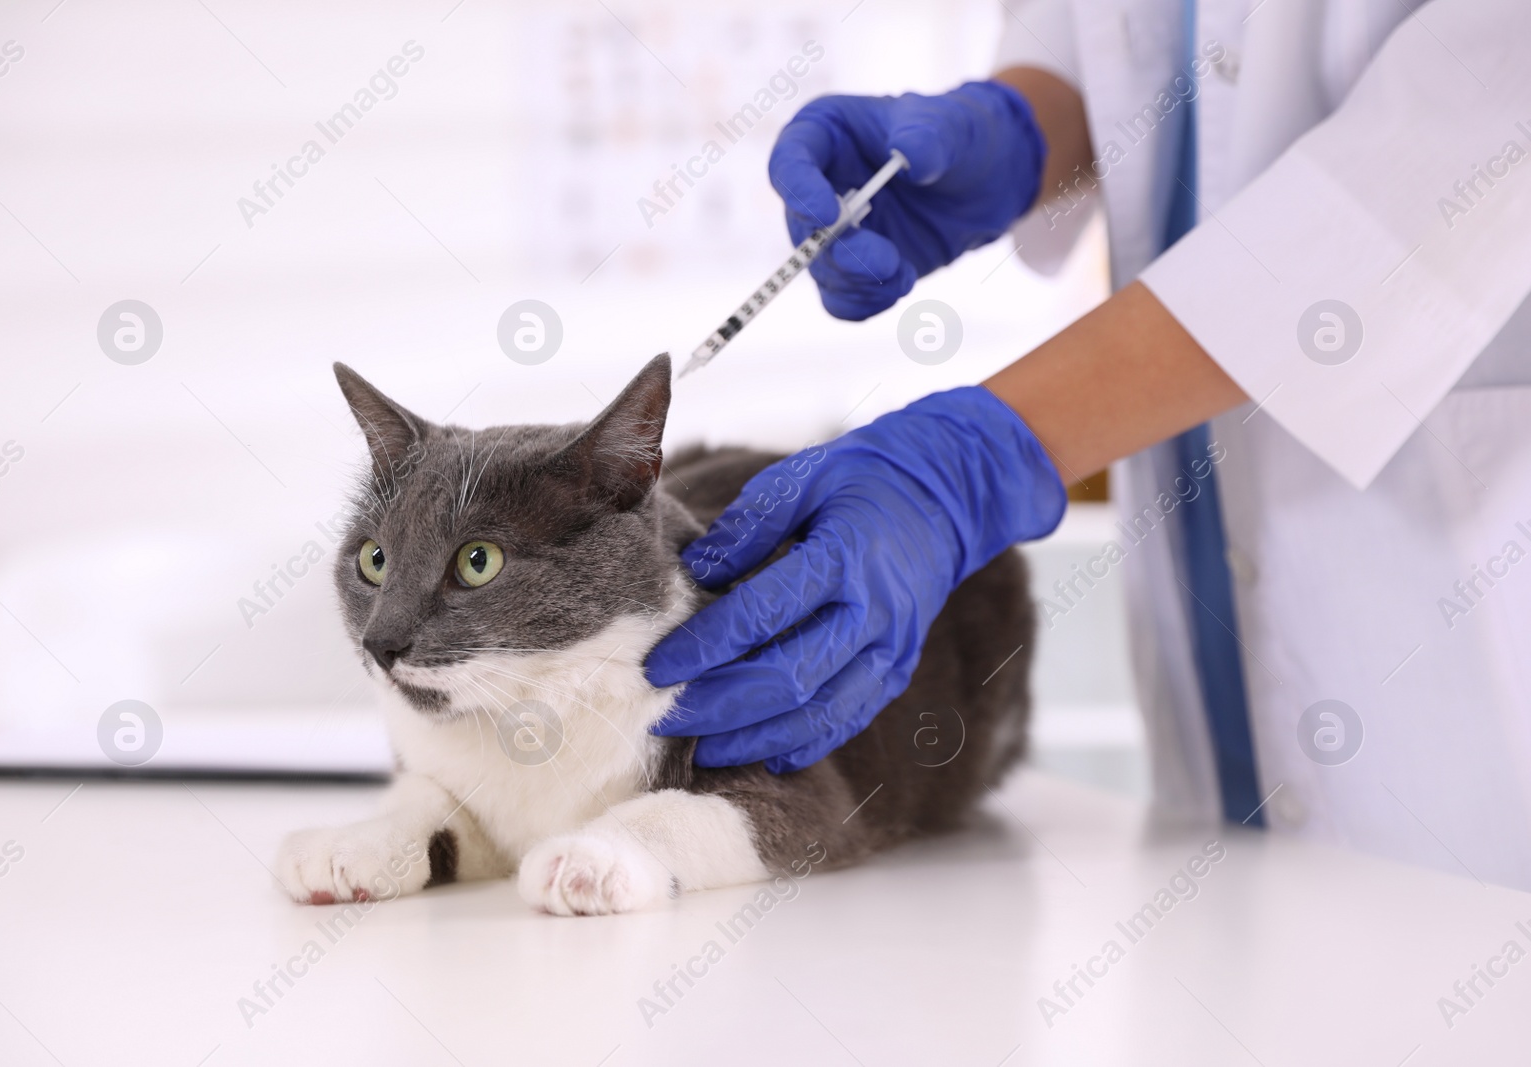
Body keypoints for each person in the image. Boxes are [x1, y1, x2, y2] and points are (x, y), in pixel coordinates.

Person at [647, 0, 1531, 890]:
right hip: (1205, 541)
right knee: (1247, 928)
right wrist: (1022, 126)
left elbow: (1449, 154)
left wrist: (985, 452)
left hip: (1455, 597)